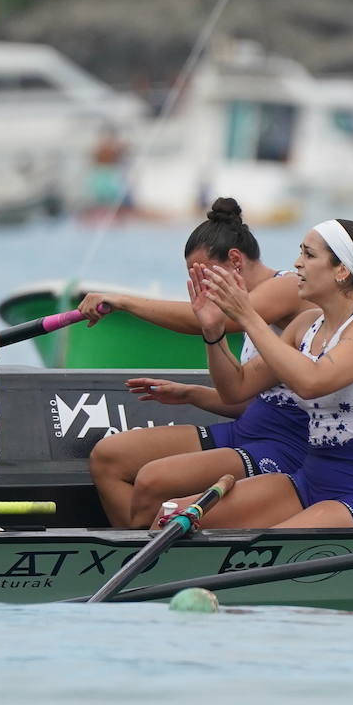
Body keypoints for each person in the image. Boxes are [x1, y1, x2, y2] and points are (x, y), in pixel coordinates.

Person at [75, 197, 313, 528]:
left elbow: (212, 320)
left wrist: (123, 302)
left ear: (234, 260)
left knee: (152, 482)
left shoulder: (287, 287)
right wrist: (190, 394)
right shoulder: (253, 307)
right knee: (109, 457)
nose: (200, 289)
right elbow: (246, 398)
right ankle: (137, 547)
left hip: (286, 444)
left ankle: (151, 552)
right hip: (249, 428)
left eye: (203, 275)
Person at [175, 218, 353, 529]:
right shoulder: (304, 326)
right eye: (301, 253)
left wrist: (247, 316)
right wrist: (213, 331)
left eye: (309, 255)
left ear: (341, 271)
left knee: (270, 545)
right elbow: (236, 387)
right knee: (174, 517)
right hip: (311, 478)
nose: (297, 263)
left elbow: (312, 382)